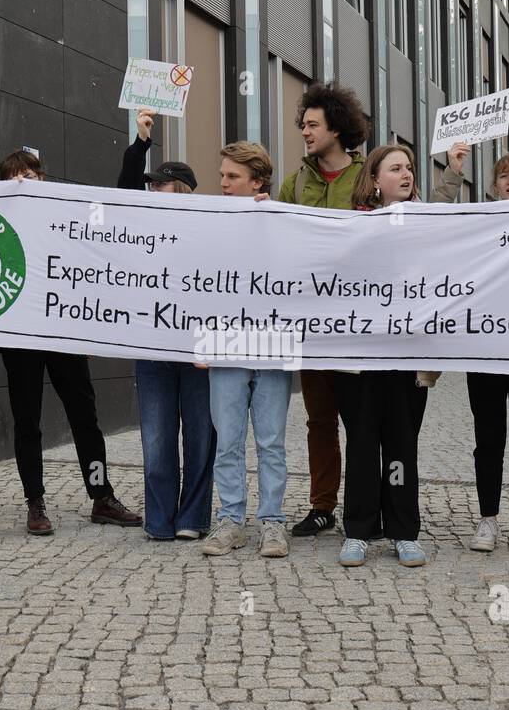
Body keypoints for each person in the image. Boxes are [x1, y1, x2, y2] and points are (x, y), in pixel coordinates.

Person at [0, 149, 141, 534]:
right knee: (27, 421)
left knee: (84, 416)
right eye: (15, 177)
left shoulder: (65, 217)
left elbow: (87, 265)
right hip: (20, 337)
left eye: (30, 174)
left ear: (43, 178)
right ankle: (35, 502)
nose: (24, 181)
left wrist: (88, 327)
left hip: (63, 332)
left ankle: (101, 495)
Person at [433, 150, 509, 553]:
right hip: (485, 346)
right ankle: (487, 519)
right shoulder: (479, 222)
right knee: (488, 437)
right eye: (504, 175)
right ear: (494, 185)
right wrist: (452, 171)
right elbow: (436, 220)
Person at [277, 81, 370, 539]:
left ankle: (362, 505)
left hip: (358, 325)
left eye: (312, 124)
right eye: (303, 125)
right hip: (311, 325)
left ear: (337, 127)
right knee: (319, 420)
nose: (306, 132)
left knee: (360, 420)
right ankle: (321, 506)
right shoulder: (295, 183)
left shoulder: (367, 178)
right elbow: (274, 240)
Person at [117, 109, 215, 541]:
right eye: (151, 184)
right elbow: (122, 194)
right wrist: (140, 143)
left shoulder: (211, 228)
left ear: (187, 190)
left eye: (161, 183)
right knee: (156, 441)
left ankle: (193, 519)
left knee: (199, 439)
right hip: (152, 349)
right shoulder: (139, 228)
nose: (153, 189)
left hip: (198, 350)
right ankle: (159, 521)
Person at [334, 144, 429, 568]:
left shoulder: (432, 224)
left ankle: (403, 532)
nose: (405, 174)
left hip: (408, 357)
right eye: (395, 169)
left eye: (409, 167)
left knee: (401, 445)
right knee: (362, 443)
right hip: (361, 357)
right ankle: (358, 530)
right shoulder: (355, 227)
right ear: (375, 180)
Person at [201, 141, 292, 559]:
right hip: (224, 343)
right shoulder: (209, 222)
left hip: (272, 343)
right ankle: (231, 520)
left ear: (257, 182)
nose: (222, 183)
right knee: (229, 440)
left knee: (271, 440)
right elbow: (196, 280)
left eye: (232, 177)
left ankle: (272, 522)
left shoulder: (284, 223)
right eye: (222, 175)